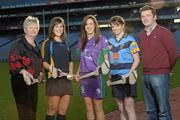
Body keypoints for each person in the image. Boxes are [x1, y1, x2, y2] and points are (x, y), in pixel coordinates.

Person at [139, 5, 178, 120]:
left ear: (155, 17)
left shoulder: (164, 32)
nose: (145, 18)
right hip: (145, 76)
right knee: (150, 111)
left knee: (163, 111)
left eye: (148, 15)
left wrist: (167, 70)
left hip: (160, 75)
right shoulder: (141, 35)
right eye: (143, 16)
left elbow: (173, 55)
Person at [75, 15, 109, 120]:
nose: (88, 26)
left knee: (98, 107)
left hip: (97, 77)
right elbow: (81, 60)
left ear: (95, 25)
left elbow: (107, 61)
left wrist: (102, 69)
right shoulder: (81, 41)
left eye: (91, 23)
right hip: (84, 78)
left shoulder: (102, 40)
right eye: (86, 24)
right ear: (84, 27)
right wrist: (77, 73)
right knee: (88, 108)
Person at [9, 16, 43, 120]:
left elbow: (38, 63)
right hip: (21, 84)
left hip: (33, 83)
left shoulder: (37, 46)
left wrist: (40, 73)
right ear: (25, 29)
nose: (33, 30)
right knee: (25, 115)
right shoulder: (18, 44)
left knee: (33, 113)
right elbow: (13, 62)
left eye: (36, 27)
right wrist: (24, 72)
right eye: (30, 27)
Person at [107, 16, 140, 120]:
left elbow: (137, 60)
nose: (115, 28)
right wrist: (109, 77)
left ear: (123, 25)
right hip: (115, 78)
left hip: (128, 77)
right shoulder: (109, 42)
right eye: (113, 26)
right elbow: (110, 62)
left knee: (129, 107)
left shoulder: (131, 40)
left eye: (117, 25)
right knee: (121, 109)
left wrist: (129, 73)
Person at [41, 17, 73, 120]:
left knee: (63, 111)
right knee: (52, 109)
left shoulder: (66, 43)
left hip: (66, 81)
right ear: (52, 28)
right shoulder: (47, 43)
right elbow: (44, 62)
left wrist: (71, 73)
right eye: (56, 26)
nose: (59, 28)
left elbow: (70, 61)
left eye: (61, 26)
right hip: (53, 80)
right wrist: (52, 69)